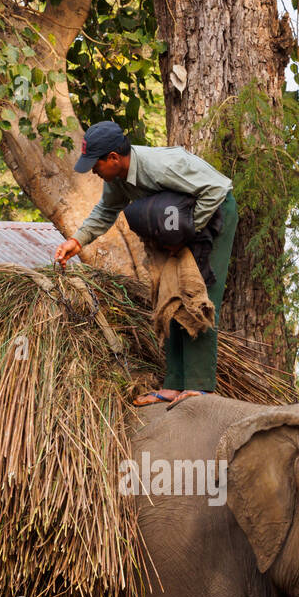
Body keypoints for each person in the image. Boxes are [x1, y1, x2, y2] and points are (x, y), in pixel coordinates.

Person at [54, 121, 238, 407]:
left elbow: (215, 189)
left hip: (212, 216)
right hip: (178, 227)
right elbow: (105, 211)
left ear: (114, 158)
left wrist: (188, 232)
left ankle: (202, 387)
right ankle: (174, 384)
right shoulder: (116, 179)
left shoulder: (161, 166)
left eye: (95, 164)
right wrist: (76, 241)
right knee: (170, 294)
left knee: (197, 295)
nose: (93, 171)